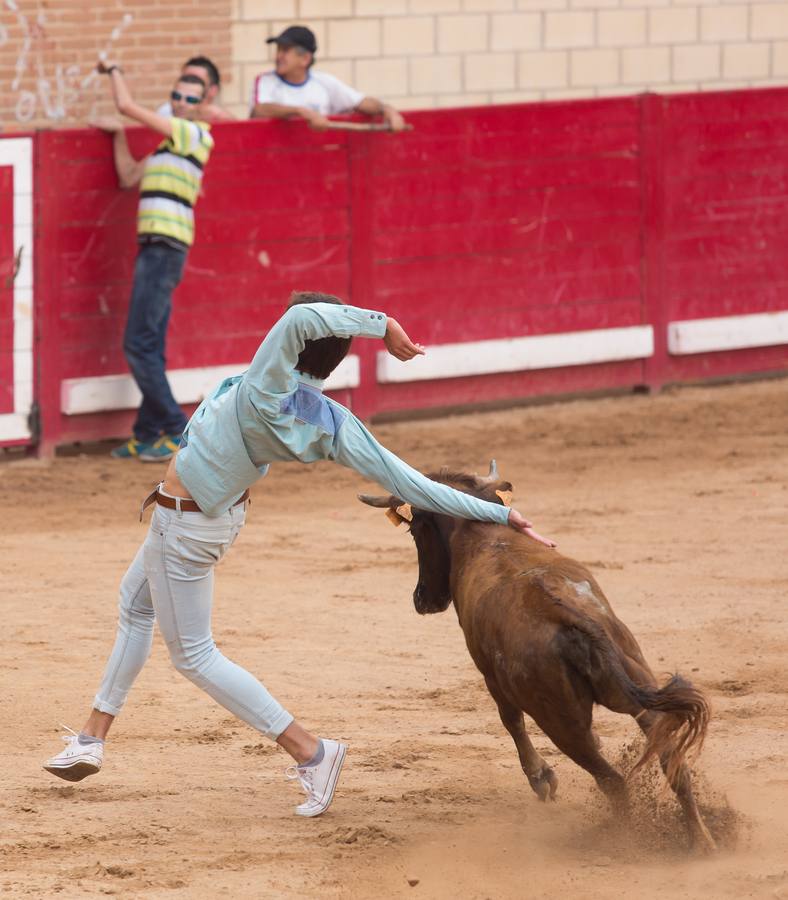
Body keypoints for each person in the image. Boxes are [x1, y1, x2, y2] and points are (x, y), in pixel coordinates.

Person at [43, 294, 556, 818]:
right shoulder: (332, 422)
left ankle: (311, 752)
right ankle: (91, 737)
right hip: (205, 519)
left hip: (187, 528)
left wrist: (383, 326)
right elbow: (414, 486)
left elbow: (299, 318)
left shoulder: (268, 383)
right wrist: (499, 514)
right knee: (135, 606)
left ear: (294, 345)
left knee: (194, 655)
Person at [91, 61, 214, 462]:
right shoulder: (169, 146)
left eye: (189, 98)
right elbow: (128, 175)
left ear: (201, 105)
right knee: (151, 344)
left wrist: (113, 69)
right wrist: (120, 138)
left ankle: (179, 429)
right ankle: (147, 435)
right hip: (156, 247)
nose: (180, 103)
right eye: (175, 96)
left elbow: (126, 104)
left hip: (165, 248)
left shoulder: (194, 134)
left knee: (137, 344)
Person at [249, 25, 406, 132]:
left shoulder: (324, 82)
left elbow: (362, 102)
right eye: (278, 50)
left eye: (285, 51)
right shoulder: (266, 80)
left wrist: (388, 110)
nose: (278, 56)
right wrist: (300, 111)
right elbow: (259, 110)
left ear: (305, 59)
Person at [156, 56, 234, 122]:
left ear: (213, 90)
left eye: (196, 80)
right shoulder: (166, 112)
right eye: (185, 78)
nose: (188, 83)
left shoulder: (220, 116)